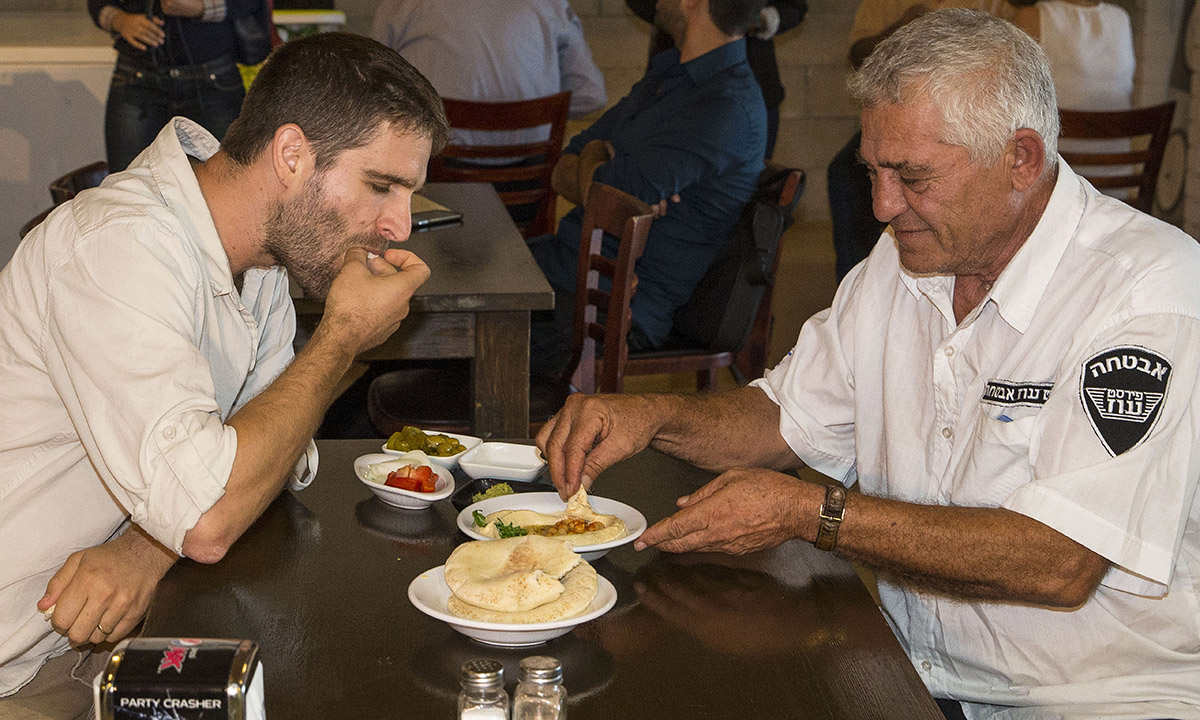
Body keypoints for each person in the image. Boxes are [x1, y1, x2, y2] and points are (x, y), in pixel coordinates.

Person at [538, 9, 1200, 719]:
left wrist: (811, 512)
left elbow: (1060, 561)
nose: (884, 207)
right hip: (911, 671)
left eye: (912, 177)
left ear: (1022, 160)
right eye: (874, 171)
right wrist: (652, 415)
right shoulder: (905, 261)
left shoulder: (1146, 293)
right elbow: (781, 417)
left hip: (1096, 700)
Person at [0, 32, 448, 718]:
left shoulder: (261, 258)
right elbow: (210, 515)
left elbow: (266, 462)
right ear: (292, 155)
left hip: (127, 624)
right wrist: (340, 341)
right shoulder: (120, 248)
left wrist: (147, 550)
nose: (399, 225)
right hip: (23, 659)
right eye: (381, 185)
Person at [529, 0, 768, 380]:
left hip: (606, 309)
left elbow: (606, 201)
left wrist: (600, 165)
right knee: (457, 272)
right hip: (564, 271)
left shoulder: (725, 107)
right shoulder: (669, 74)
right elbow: (561, 169)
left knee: (452, 318)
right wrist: (598, 155)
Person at [371, 0, 607, 147]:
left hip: (437, 185)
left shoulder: (401, 5)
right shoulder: (550, 4)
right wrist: (528, 118)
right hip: (528, 181)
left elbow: (371, 90)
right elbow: (591, 95)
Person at [88, 0, 270, 173]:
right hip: (136, 78)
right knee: (127, 189)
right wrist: (120, 21)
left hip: (214, 81)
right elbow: (97, 4)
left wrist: (203, 7)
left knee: (230, 181)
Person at [624, 0, 807, 158]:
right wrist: (685, 15)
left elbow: (794, 7)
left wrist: (755, 19)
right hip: (673, 79)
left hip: (753, 74)